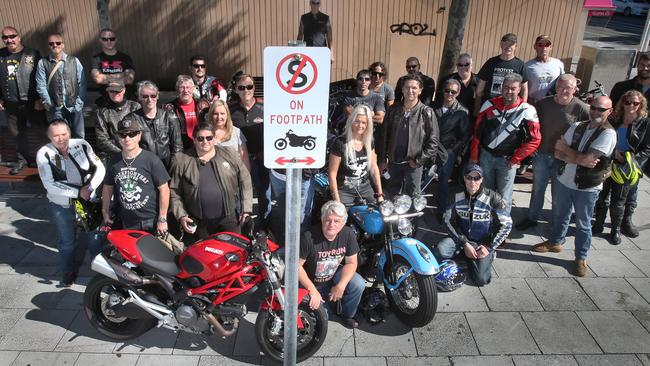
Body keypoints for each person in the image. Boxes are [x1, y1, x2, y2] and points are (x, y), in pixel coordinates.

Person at [533, 96, 616, 277]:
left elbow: (587, 160)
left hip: (587, 187)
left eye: (601, 109)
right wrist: (577, 158)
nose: (595, 112)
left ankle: (581, 257)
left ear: (610, 111)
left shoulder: (608, 134)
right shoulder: (578, 126)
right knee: (560, 214)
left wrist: (569, 152)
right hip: (565, 180)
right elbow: (557, 150)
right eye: (593, 107)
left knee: (583, 224)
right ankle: (555, 242)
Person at [36, 119, 105, 286]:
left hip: (88, 200)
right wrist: (77, 192)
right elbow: (49, 184)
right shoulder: (43, 153)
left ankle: (103, 271)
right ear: (50, 137)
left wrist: (90, 188)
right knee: (66, 240)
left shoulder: (81, 144)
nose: (61, 138)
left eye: (64, 134)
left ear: (69, 133)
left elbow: (100, 167)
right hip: (62, 204)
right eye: (56, 135)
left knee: (95, 236)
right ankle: (68, 271)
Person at [516, 74, 589, 230]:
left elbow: (590, 131)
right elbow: (531, 128)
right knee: (537, 189)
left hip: (564, 159)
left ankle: (557, 221)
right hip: (541, 155)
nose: (563, 91)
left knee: (559, 193)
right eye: (560, 87)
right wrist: (532, 148)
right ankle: (532, 217)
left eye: (568, 88)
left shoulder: (581, 108)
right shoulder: (543, 105)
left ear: (575, 89)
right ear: (555, 87)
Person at [469, 73, 540, 214]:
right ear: (501, 87)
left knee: (504, 196)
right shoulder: (489, 104)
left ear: (519, 89)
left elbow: (535, 139)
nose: (509, 91)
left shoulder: (527, 110)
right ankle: (484, 223)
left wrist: (516, 158)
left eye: (513, 88)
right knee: (485, 192)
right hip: (486, 156)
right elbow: (477, 132)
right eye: (506, 87)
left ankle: (502, 229)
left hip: (507, 160)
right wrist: (474, 156)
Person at [169, 123, 252, 241]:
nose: (205, 141)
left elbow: (245, 180)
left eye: (209, 138)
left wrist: (246, 209)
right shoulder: (182, 160)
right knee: (202, 257)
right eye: (200, 138)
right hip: (199, 221)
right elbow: (174, 191)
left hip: (229, 219)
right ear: (194, 140)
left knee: (233, 253)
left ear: (214, 139)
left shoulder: (229, 154)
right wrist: (181, 215)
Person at [433, 164, 512, 286]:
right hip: (460, 239)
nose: (472, 182)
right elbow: (446, 220)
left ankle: (481, 257)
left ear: (481, 180)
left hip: (482, 243)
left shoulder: (493, 197)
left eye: (476, 178)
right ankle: (467, 256)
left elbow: (507, 224)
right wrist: (464, 243)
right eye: (469, 178)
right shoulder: (455, 195)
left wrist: (490, 247)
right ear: (464, 178)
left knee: (481, 280)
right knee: (439, 251)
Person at [593, 90, 650, 244]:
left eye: (635, 103)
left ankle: (615, 230)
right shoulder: (614, 118)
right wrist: (612, 152)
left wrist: (627, 159)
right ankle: (598, 223)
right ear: (622, 102)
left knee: (619, 200)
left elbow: (647, 148)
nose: (631, 105)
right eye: (627, 102)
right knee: (603, 195)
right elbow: (603, 134)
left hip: (628, 166)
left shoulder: (645, 122)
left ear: (641, 104)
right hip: (609, 161)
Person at [299, 200, 365, 328]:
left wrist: (341, 285)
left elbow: (352, 263)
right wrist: (312, 290)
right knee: (322, 318)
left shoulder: (347, 233)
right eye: (328, 220)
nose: (331, 225)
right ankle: (326, 305)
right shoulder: (308, 237)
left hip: (333, 275)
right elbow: (296, 267)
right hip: (311, 280)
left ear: (343, 223)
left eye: (337, 221)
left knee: (358, 283)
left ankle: (346, 314)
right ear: (322, 219)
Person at [102, 118, 171, 234]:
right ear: (118, 138)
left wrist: (162, 219)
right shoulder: (113, 162)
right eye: (123, 135)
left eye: (132, 134)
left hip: (150, 221)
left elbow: (164, 189)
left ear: (139, 136)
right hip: (126, 221)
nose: (127, 139)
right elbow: (107, 188)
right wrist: (105, 211)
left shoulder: (151, 160)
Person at [379, 74, 440, 196]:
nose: (410, 91)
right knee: (391, 194)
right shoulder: (393, 109)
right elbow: (384, 136)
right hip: (393, 162)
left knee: (413, 196)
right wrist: (382, 160)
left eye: (414, 88)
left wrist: (418, 161)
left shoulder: (426, 112)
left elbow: (433, 142)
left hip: (414, 165)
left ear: (420, 90)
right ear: (402, 89)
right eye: (407, 87)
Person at [0, 25, 43, 174]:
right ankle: (23, 160)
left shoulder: (32, 54)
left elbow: (40, 78)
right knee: (17, 133)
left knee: (42, 131)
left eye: (12, 36)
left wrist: (39, 99)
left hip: (31, 102)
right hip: (10, 103)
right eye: (5, 37)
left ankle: (45, 158)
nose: (9, 40)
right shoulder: (1, 55)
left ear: (19, 37)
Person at [230, 73, 271, 228]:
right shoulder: (230, 110)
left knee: (264, 195)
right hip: (239, 159)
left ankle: (265, 228)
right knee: (241, 194)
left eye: (249, 86)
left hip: (262, 159)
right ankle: (242, 227)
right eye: (241, 87)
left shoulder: (265, 107)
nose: (246, 90)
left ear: (254, 88)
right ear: (236, 89)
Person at [328, 105, 384, 206]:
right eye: (357, 121)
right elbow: (332, 174)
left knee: (378, 214)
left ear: (368, 124)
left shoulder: (369, 141)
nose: (360, 125)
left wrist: (380, 194)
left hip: (365, 188)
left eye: (364, 122)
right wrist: (337, 201)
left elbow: (374, 168)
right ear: (351, 122)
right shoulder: (340, 142)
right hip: (345, 190)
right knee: (342, 218)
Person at [121, 80, 183, 170]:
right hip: (142, 167)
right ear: (139, 98)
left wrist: (174, 167)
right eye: (145, 96)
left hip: (167, 167)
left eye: (153, 96)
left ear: (157, 96)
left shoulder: (169, 116)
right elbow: (127, 146)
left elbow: (177, 146)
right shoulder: (131, 119)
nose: (150, 99)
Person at [432, 79, 471, 217]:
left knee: (443, 182)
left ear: (458, 93)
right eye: (447, 90)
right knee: (423, 179)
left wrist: (453, 151)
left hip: (447, 151)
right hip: (430, 149)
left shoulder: (462, 111)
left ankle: (441, 211)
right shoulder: (432, 106)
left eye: (453, 92)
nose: (449, 94)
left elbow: (465, 136)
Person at [35, 32, 86, 138]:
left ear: (63, 45)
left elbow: (82, 82)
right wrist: (49, 103)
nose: (55, 46)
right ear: (48, 46)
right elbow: (41, 85)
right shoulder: (42, 63)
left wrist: (79, 103)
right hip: (56, 107)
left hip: (75, 106)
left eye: (58, 43)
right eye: (51, 44)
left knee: (79, 136)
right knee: (61, 137)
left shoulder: (74, 61)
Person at [474, 33, 527, 117]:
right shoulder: (491, 62)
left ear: (516, 46)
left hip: (510, 109)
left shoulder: (520, 65)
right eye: (506, 43)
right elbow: (480, 88)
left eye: (511, 44)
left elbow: (524, 89)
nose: (508, 47)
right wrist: (477, 108)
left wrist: (523, 109)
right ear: (501, 44)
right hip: (490, 106)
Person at [94, 80, 141, 162]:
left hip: (136, 153)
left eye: (117, 91)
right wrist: (122, 153)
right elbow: (101, 139)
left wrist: (133, 151)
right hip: (113, 155)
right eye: (111, 91)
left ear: (124, 90)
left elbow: (142, 131)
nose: (114, 93)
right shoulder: (102, 112)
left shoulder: (135, 107)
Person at [90, 28, 135, 106]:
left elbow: (129, 79)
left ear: (116, 40)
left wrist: (105, 77)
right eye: (105, 39)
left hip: (126, 97)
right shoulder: (96, 59)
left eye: (112, 39)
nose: (109, 42)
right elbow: (97, 79)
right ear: (100, 40)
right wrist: (121, 75)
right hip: (106, 98)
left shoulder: (126, 58)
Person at [206, 99, 250, 171]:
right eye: (215, 114)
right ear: (211, 115)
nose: (219, 117)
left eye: (222, 113)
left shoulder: (236, 132)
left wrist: (245, 179)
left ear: (227, 114)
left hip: (234, 176)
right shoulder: (206, 133)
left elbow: (244, 158)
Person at [167, 75, 209, 149]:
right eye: (182, 88)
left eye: (188, 87)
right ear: (177, 90)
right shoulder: (169, 108)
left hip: (202, 144)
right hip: (181, 147)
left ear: (193, 89)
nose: (185, 91)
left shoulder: (203, 105)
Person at [436, 53, 479, 120]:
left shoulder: (479, 82)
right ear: (457, 66)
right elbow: (438, 101)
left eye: (466, 64)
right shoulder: (447, 80)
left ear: (471, 66)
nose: (463, 67)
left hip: (473, 120)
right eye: (460, 65)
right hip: (452, 120)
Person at [523, 35, 565, 104]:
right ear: (535, 47)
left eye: (547, 45)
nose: (544, 48)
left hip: (553, 104)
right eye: (540, 45)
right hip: (534, 105)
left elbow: (563, 82)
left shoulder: (558, 64)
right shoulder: (527, 66)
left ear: (551, 47)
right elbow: (522, 87)